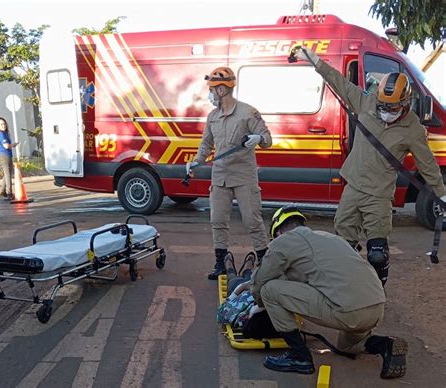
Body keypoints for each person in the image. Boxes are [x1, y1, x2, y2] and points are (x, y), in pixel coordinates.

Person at [293, 47, 446, 286]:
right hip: (353, 186)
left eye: (392, 108)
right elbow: (339, 82)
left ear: (405, 103)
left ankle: (375, 295)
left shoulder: (413, 128)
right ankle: (346, 288)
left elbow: (426, 163)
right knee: (342, 245)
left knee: (377, 253)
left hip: (379, 194)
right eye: (383, 106)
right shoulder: (367, 102)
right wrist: (315, 61)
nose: (385, 112)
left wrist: (441, 193)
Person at [251, 206, 407, 379]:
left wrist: (259, 305)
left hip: (347, 310)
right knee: (347, 345)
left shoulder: (284, 241)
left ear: (278, 231)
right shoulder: (329, 238)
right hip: (376, 307)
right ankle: (385, 345)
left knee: (269, 290)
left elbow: (260, 282)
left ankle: (299, 356)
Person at [187, 67, 272, 280]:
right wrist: (196, 162)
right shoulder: (213, 117)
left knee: (252, 220)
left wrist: (258, 139)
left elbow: (267, 139)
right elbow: (206, 143)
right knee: (217, 220)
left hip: (243, 176)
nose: (210, 94)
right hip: (220, 177)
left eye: (212, 90)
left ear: (223, 90)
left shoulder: (247, 112)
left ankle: (266, 262)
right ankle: (220, 263)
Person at [218, 252, 279, 339]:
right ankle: (246, 267)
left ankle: (231, 265)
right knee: (248, 278)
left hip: (243, 291)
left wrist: (242, 288)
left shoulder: (240, 315)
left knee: (233, 279)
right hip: (255, 289)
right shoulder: (273, 311)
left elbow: (222, 311)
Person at [0, 117, 18, 201]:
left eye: (4, 124)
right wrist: (13, 145)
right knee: (8, 175)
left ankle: (3, 191)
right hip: (4, 156)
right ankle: (9, 193)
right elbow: (6, 146)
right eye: (1, 124)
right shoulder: (1, 134)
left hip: (0, 156)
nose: (3, 125)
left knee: (6, 174)